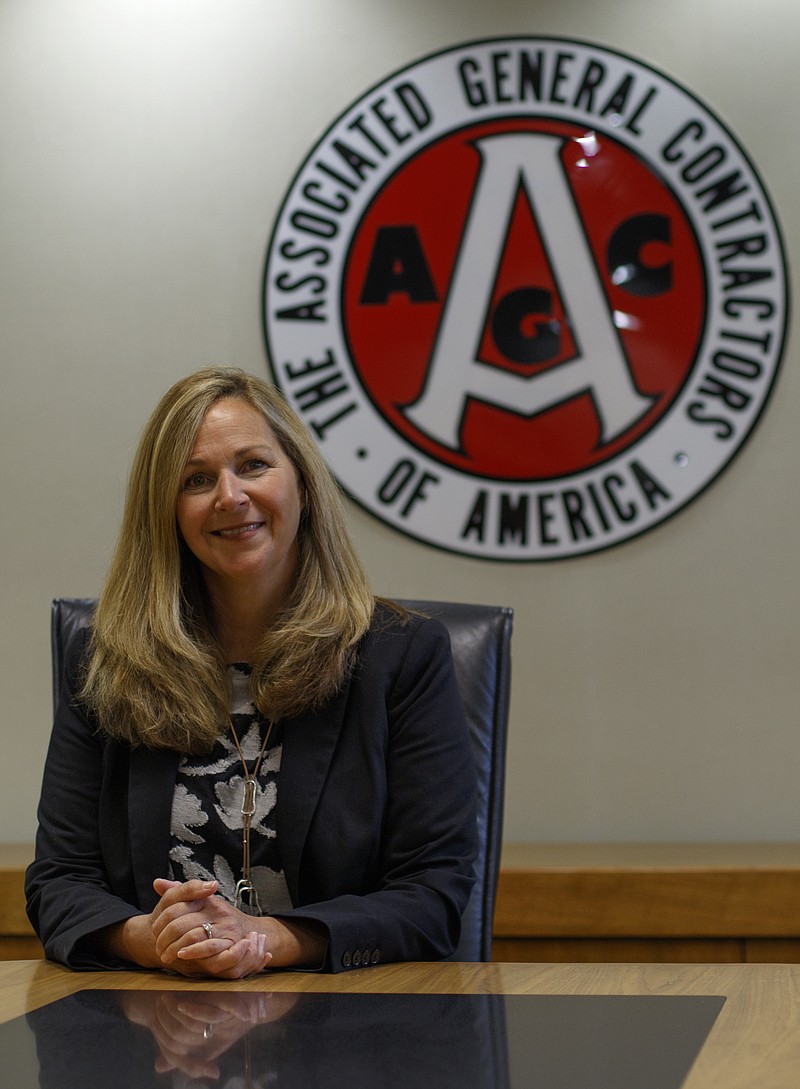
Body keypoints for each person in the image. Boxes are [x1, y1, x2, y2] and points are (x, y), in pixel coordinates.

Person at [25, 366, 478, 978]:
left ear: (304, 484)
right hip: (154, 1022)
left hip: (350, 1029)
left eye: (254, 465)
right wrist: (147, 939)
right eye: (197, 480)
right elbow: (59, 881)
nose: (230, 496)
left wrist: (266, 939)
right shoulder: (107, 664)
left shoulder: (401, 656)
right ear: (167, 514)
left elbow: (433, 893)